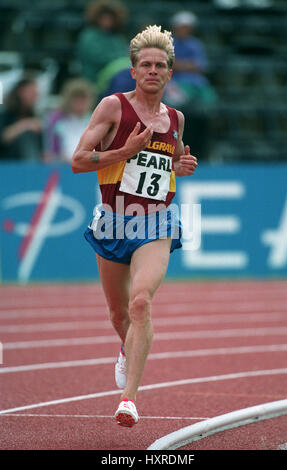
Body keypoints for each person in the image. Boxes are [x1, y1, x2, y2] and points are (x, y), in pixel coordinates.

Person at [71, 25, 198, 427]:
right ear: (133, 71)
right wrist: (125, 151)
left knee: (140, 302)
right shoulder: (112, 107)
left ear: (169, 74)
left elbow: (173, 158)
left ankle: (128, 401)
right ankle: (126, 348)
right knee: (117, 312)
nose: (153, 71)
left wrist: (181, 166)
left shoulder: (175, 118)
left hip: (156, 221)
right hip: (113, 220)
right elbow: (77, 160)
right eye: (146, 65)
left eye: (161, 65)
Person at [76, 0, 129, 86]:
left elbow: (124, 54)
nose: (106, 21)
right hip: (94, 80)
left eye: (110, 18)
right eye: (103, 18)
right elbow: (99, 58)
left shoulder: (117, 37)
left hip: (116, 78)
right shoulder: (89, 36)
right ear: (97, 18)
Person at [44, 78, 95, 163]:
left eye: (83, 100)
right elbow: (50, 151)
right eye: (76, 100)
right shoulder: (56, 121)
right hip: (64, 165)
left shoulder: (95, 120)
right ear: (69, 100)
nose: (80, 104)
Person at [0, 76, 43, 161]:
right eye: (32, 93)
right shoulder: (5, 113)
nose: (35, 97)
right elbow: (3, 138)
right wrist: (25, 125)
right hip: (7, 162)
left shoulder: (33, 115)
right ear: (21, 92)